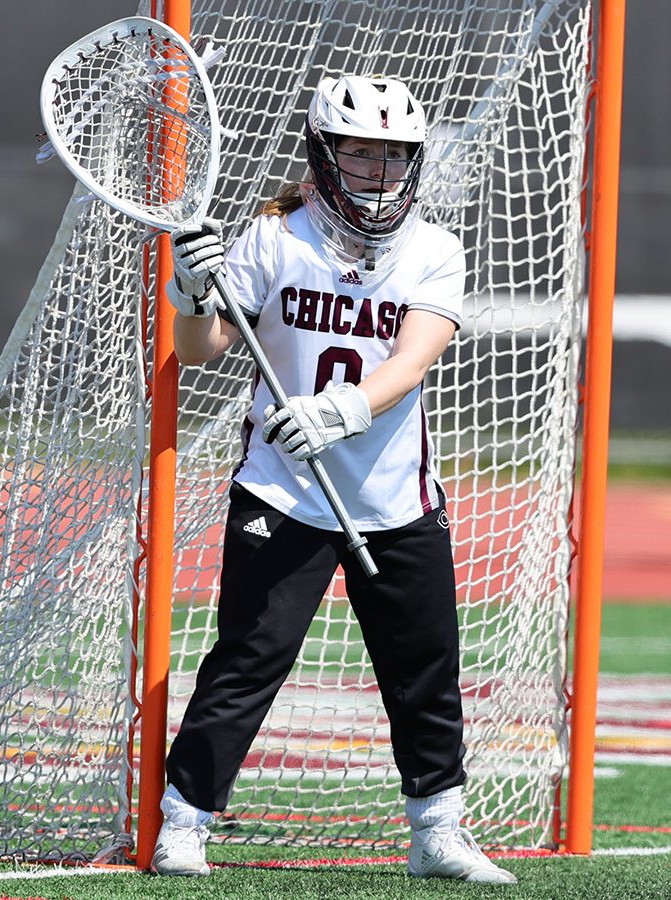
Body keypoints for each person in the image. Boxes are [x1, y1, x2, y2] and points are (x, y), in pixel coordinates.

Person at [151, 75, 516, 885]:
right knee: (251, 656)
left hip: (393, 497)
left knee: (424, 665)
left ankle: (438, 829)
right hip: (283, 489)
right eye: (360, 149)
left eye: (395, 154)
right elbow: (204, 345)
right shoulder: (275, 235)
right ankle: (185, 821)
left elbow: (414, 357)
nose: (379, 168)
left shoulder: (434, 248)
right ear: (324, 153)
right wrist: (188, 288)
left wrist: (339, 411)